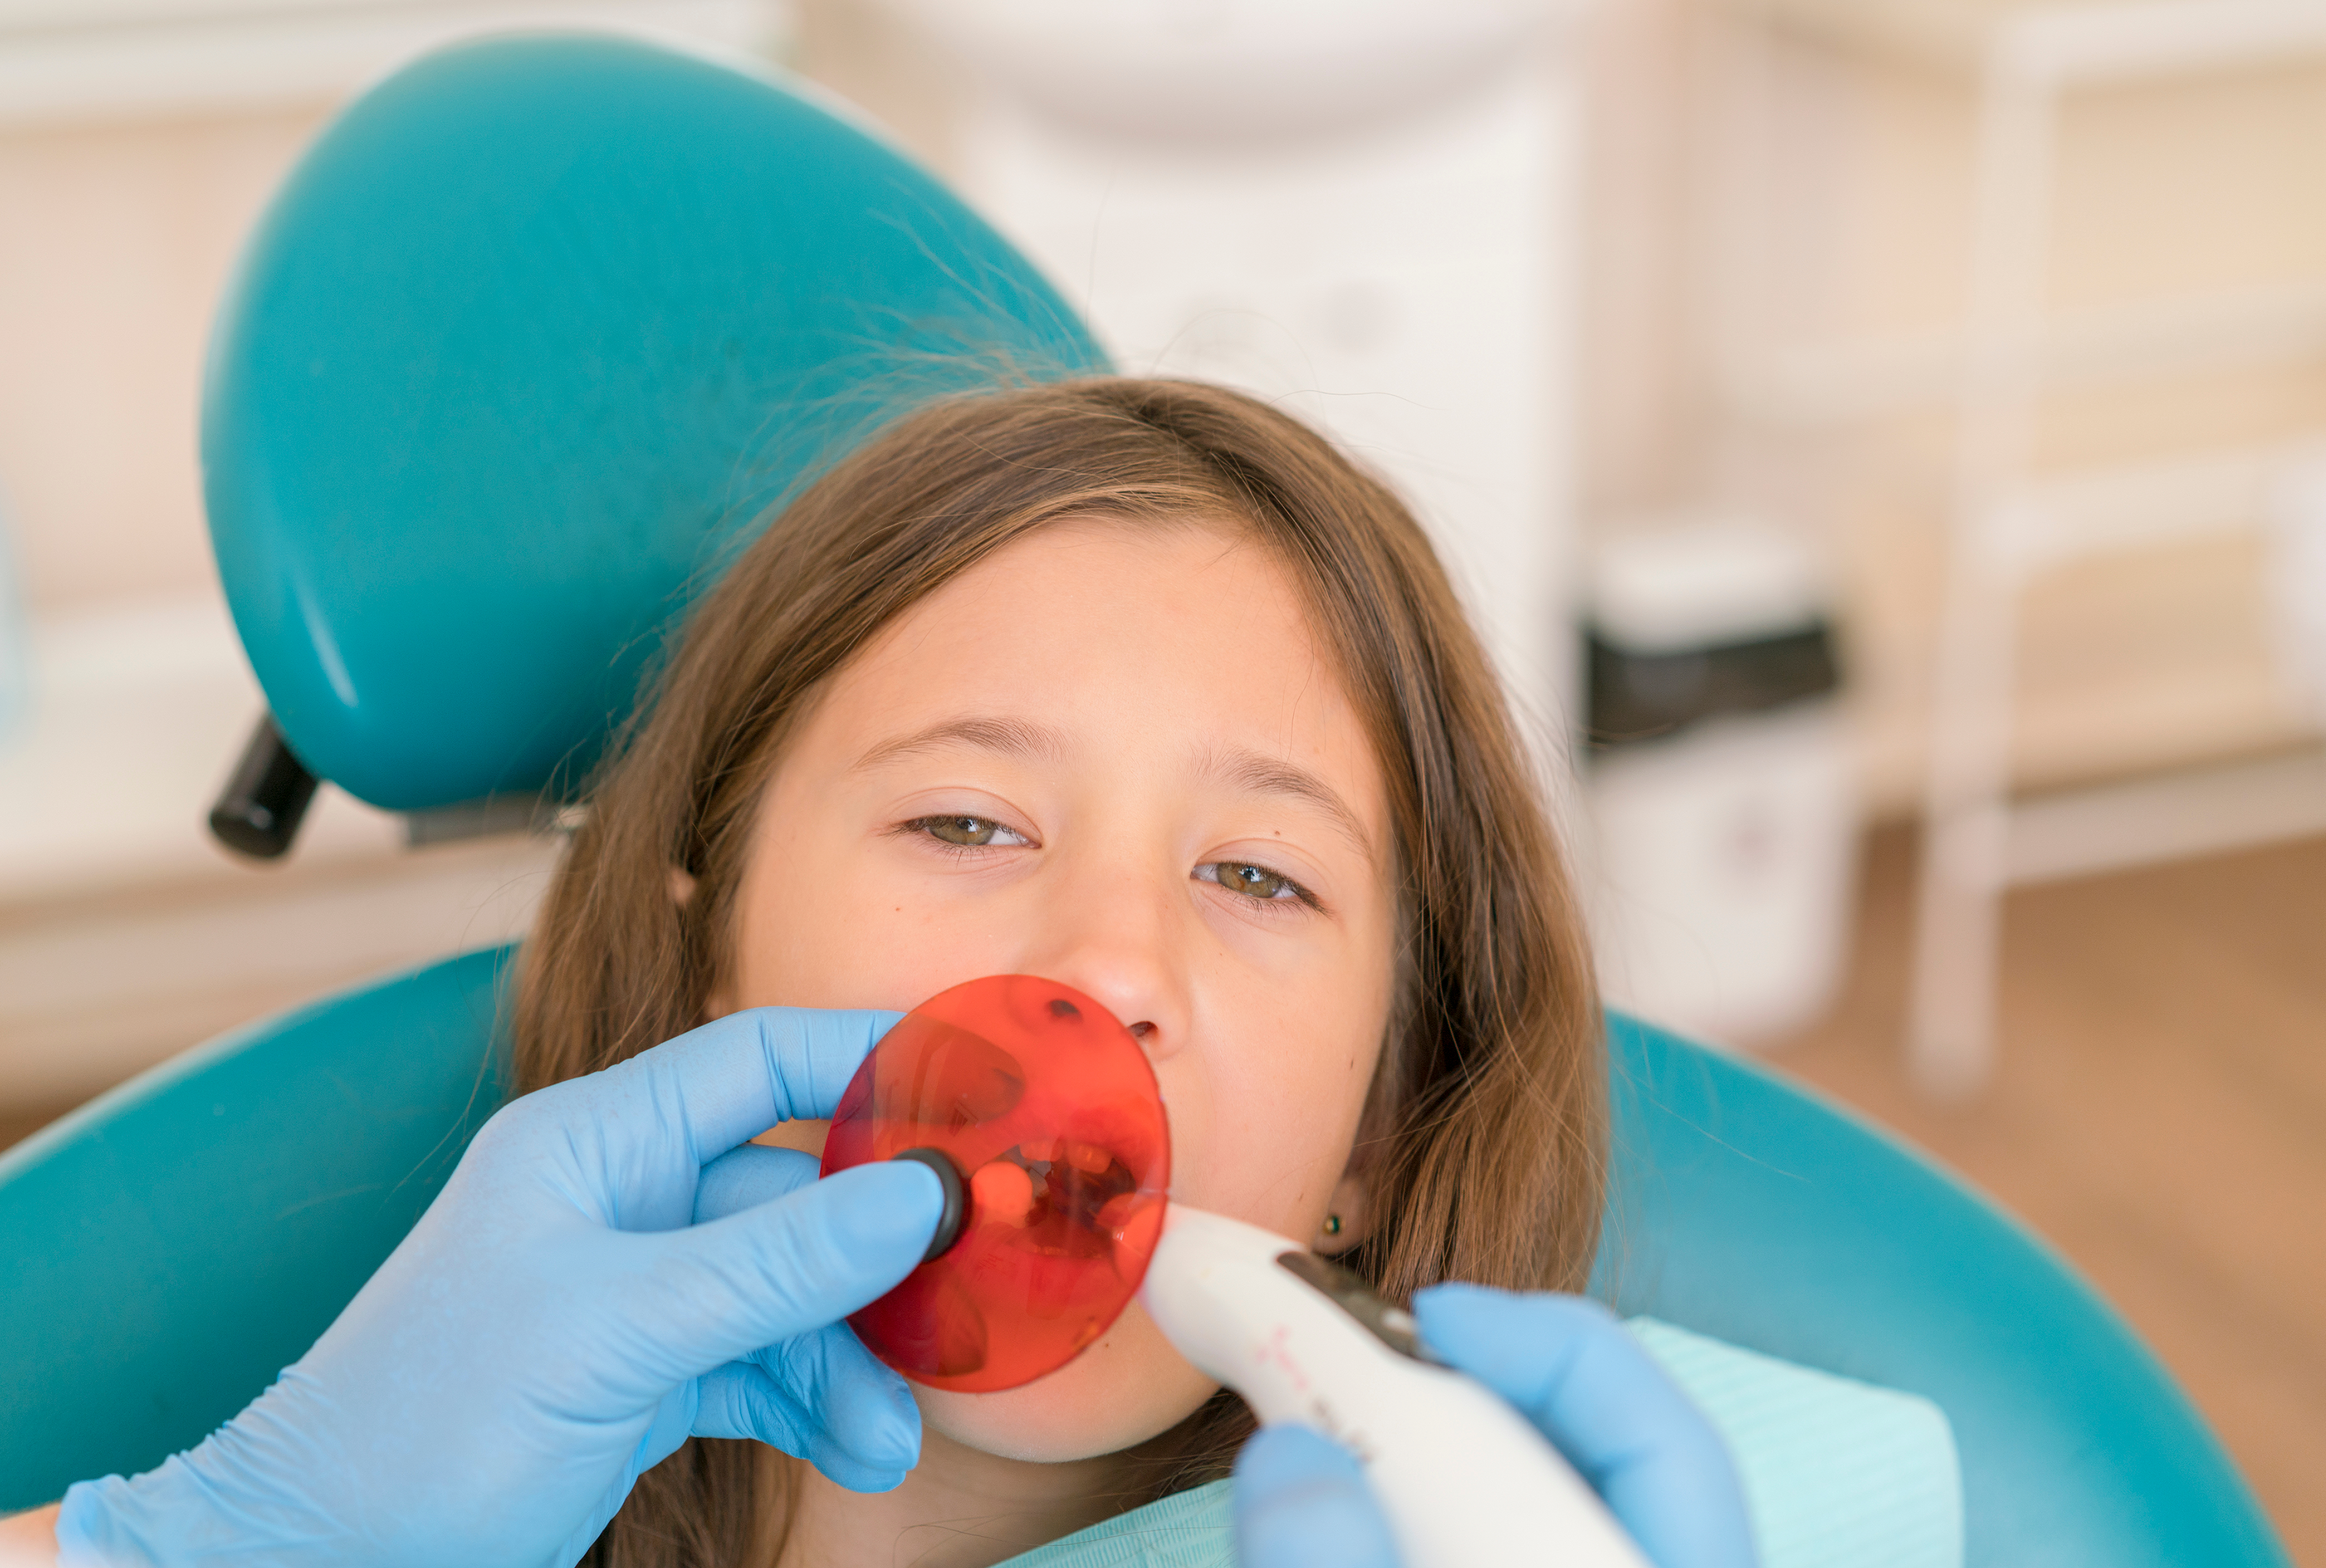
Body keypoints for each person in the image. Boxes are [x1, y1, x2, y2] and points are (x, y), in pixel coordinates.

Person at [4, 378, 1756, 1567]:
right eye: (969, 823)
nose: (1105, 962)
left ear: (1379, 1131)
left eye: (1252, 871)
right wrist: (198, 1552)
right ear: (709, 970)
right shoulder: (364, 1509)